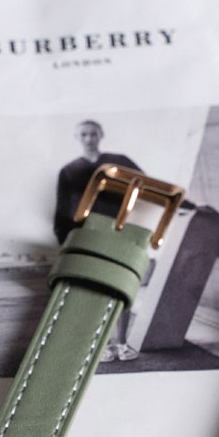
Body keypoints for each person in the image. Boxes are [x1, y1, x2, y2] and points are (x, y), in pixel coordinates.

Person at [53, 119, 143, 362]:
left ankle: (121, 344)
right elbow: (62, 209)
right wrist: (66, 242)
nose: (89, 139)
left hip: (119, 231)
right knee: (93, 289)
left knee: (120, 286)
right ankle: (99, 345)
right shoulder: (69, 170)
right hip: (88, 235)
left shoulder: (119, 162)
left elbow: (147, 187)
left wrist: (189, 205)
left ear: (101, 135)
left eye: (93, 134)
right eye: (83, 134)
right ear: (77, 138)